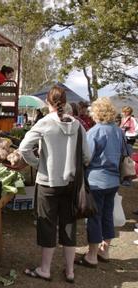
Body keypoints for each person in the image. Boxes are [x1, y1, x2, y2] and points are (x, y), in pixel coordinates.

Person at [19, 86, 90, 283]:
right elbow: (87, 156)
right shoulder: (77, 125)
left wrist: (38, 163)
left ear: (48, 103)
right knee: (69, 225)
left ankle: (45, 269)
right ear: (65, 101)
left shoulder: (44, 123)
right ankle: (70, 271)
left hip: (47, 183)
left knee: (47, 225)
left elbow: (24, 148)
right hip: (71, 183)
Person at [75, 98, 125, 267]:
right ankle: (105, 250)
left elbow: (86, 157)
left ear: (97, 112)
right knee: (107, 216)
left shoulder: (95, 131)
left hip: (97, 181)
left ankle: (92, 256)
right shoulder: (118, 131)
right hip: (113, 180)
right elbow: (125, 153)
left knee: (94, 218)